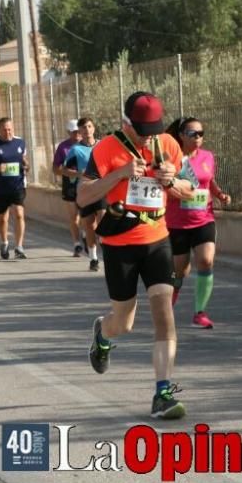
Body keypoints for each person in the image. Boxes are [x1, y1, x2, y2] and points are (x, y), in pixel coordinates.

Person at [77, 92, 194, 420]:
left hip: (157, 238)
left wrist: (172, 181)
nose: (148, 136)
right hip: (119, 244)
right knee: (124, 323)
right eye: (142, 129)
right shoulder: (105, 149)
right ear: (125, 122)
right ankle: (103, 332)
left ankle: (163, 393)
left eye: (153, 128)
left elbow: (190, 189)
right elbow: (83, 194)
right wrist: (120, 173)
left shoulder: (168, 144)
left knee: (164, 313)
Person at [165, 117, 231, 329]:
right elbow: (165, 185)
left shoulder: (208, 156)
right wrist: (176, 193)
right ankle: (168, 304)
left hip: (204, 219)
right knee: (179, 272)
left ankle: (200, 313)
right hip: (177, 223)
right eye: (193, 133)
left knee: (206, 261)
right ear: (182, 136)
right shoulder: (173, 158)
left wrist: (219, 194)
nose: (198, 137)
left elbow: (208, 180)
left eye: (201, 133)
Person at [0, 117, 30, 260]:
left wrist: (27, 165)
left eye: (10, 129)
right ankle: (4, 242)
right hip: (0, 188)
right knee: (2, 219)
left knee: (19, 213)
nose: (8, 132)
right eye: (5, 130)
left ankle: (19, 247)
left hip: (18, 185)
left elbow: (25, 161)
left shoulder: (20, 142)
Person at [63, 117, 102, 271]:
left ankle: (108, 247)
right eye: (83, 128)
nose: (87, 130)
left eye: (89, 126)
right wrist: (80, 173)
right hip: (85, 191)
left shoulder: (103, 145)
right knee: (89, 224)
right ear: (79, 131)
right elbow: (65, 170)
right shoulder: (75, 149)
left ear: (94, 128)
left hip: (103, 188)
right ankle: (93, 258)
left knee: (104, 217)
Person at [53, 119, 84, 255]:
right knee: (74, 216)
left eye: (78, 131)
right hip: (70, 184)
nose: (76, 135)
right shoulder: (63, 147)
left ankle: (86, 236)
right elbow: (55, 168)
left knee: (88, 216)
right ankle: (77, 243)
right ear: (68, 132)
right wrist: (71, 173)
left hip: (87, 184)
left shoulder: (88, 144)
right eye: (73, 132)